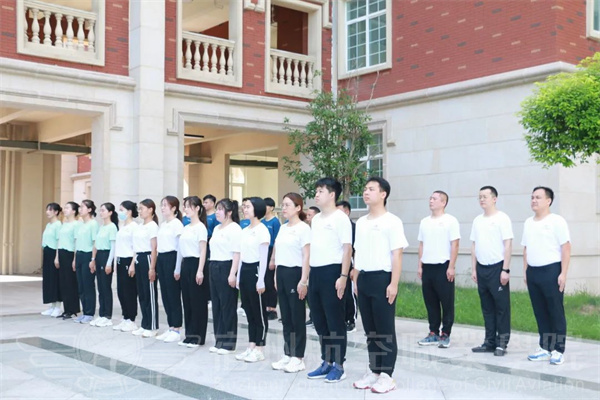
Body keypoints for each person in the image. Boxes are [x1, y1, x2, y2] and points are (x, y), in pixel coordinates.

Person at [352, 177, 407, 394]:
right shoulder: (362, 222)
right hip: (364, 279)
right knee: (370, 329)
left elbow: (397, 255)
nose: (366, 192)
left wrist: (394, 283)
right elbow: (358, 252)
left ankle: (387, 375)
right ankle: (374, 370)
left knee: (385, 329)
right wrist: (356, 279)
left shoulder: (392, 221)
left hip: (383, 279)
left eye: (371, 189)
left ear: (383, 194)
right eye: (365, 189)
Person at [306, 178, 352, 383]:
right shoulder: (316, 219)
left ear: (332, 194)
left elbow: (347, 249)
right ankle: (326, 361)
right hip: (316, 273)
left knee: (335, 321)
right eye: (316, 191)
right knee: (319, 320)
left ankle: (339, 365)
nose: (316, 195)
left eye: (321, 191)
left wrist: (343, 276)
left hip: (333, 273)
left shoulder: (340, 218)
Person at [522, 186, 570, 365]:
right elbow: (526, 248)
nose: (534, 200)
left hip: (551, 271)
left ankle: (558, 350)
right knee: (540, 311)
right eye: (532, 197)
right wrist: (526, 271)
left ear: (548, 201)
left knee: (555, 310)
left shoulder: (557, 221)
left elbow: (566, 247)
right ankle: (545, 347)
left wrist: (563, 273)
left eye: (538, 197)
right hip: (533, 272)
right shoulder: (528, 222)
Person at [470, 186, 513, 356]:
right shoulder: (477, 220)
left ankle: (502, 343)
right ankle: (489, 342)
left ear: (494, 199)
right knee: (487, 307)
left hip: (498, 267)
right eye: (480, 197)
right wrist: (474, 269)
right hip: (482, 268)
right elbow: (474, 245)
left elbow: (508, 244)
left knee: (501, 307)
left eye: (485, 196)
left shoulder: (502, 218)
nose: (482, 199)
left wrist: (505, 269)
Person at [270, 192, 310, 373]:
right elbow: (278, 253)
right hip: (282, 273)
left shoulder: (303, 228)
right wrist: (275, 275)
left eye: (287, 205)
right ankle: (288, 353)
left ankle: (298, 357)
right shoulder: (283, 228)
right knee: (285, 316)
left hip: (296, 273)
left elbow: (306, 256)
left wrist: (304, 280)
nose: (283, 208)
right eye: (283, 204)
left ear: (298, 208)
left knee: (296, 316)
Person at [417, 191, 460, 348]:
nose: (431, 201)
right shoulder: (424, 222)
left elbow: (455, 244)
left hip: (443, 266)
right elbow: (421, 244)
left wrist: (451, 266)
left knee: (446, 302)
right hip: (428, 266)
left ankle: (445, 333)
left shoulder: (450, 221)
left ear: (443, 202)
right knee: (430, 301)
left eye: (434, 199)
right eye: (430, 198)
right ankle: (433, 332)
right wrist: (420, 265)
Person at [235, 197, 271, 363]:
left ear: (257, 209)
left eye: (248, 206)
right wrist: (238, 276)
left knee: (258, 312)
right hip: (246, 270)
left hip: (257, 270)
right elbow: (241, 256)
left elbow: (263, 257)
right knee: (249, 311)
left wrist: (261, 280)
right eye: (244, 207)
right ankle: (251, 346)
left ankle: (260, 348)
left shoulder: (262, 230)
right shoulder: (244, 230)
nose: (245, 209)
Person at [208, 198, 242, 355]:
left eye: (220, 209)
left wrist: (232, 273)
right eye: (216, 209)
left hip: (227, 266)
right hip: (214, 266)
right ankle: (219, 340)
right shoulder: (217, 228)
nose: (217, 212)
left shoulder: (235, 228)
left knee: (227, 306)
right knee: (216, 305)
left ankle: (228, 343)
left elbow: (236, 253)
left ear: (229, 212)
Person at [177, 196, 209, 348]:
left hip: (197, 263)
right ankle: (189, 335)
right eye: (185, 206)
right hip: (186, 264)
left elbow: (203, 250)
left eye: (189, 206)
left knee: (198, 302)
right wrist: (178, 268)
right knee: (187, 300)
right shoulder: (186, 227)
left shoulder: (200, 227)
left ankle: (198, 337)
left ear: (197, 208)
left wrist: (200, 270)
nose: (186, 209)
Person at [156, 196, 184, 343]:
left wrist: (177, 268)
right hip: (161, 258)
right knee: (165, 294)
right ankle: (170, 326)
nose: (162, 208)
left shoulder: (177, 224)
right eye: (162, 205)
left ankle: (177, 328)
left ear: (174, 208)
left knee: (173, 294)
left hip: (172, 258)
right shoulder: (163, 224)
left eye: (165, 205)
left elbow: (179, 248)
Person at [131, 199, 159, 338]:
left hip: (148, 258)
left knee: (149, 293)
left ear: (150, 209)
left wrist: (152, 268)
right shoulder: (140, 226)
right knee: (142, 293)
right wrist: (132, 263)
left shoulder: (152, 226)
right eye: (139, 208)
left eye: (142, 208)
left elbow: (154, 248)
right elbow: (136, 248)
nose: (140, 211)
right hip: (139, 258)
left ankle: (152, 326)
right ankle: (145, 324)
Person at [90, 202, 119, 327]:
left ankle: (107, 316)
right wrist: (93, 259)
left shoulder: (112, 227)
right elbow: (96, 245)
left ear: (110, 212)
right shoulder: (101, 227)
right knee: (100, 287)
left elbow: (113, 247)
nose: (101, 212)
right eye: (100, 210)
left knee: (106, 287)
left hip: (106, 256)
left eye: (103, 210)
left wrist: (109, 263)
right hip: (99, 256)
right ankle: (101, 314)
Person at [112, 200, 139, 332]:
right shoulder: (122, 226)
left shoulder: (134, 227)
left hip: (129, 260)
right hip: (120, 260)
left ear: (129, 212)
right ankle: (125, 317)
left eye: (122, 210)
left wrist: (133, 264)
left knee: (129, 291)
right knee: (121, 291)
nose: (120, 212)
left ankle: (131, 319)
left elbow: (136, 247)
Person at [73, 199, 99, 324]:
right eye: (80, 207)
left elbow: (95, 243)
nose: (80, 209)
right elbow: (77, 243)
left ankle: (89, 313)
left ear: (89, 209)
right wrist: (74, 259)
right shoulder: (80, 224)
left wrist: (93, 259)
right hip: (79, 255)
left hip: (88, 255)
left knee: (88, 285)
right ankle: (84, 312)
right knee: (81, 286)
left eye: (83, 207)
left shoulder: (93, 224)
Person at [55, 202, 81, 320]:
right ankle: (66, 309)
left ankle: (72, 309)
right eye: (64, 208)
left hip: (70, 254)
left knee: (71, 282)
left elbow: (76, 242)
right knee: (63, 282)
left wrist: (75, 259)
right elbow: (59, 241)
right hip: (61, 253)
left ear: (74, 211)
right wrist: (57, 257)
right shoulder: (64, 224)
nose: (64, 210)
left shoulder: (76, 224)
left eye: (67, 208)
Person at [336, 200, 357, 333]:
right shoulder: (336, 227)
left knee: (350, 293)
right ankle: (341, 318)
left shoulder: (354, 228)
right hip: (338, 263)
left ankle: (351, 319)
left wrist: (354, 267)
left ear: (347, 212)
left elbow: (355, 248)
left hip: (351, 263)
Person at [41, 203, 63, 318]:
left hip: (54, 253)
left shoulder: (58, 225)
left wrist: (57, 257)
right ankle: (52, 306)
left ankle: (58, 307)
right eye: (47, 209)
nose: (47, 212)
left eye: (50, 210)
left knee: (55, 280)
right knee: (48, 279)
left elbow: (59, 241)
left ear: (56, 212)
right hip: (47, 252)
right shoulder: (48, 225)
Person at [262, 197, 281, 320]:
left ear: (272, 208)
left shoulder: (275, 222)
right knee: (263, 280)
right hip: (262, 251)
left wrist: (273, 258)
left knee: (270, 281)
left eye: (266, 206)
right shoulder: (262, 222)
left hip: (271, 251)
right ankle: (265, 306)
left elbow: (276, 240)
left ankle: (272, 308)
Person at [304, 205, 319, 327]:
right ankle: (312, 317)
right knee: (309, 294)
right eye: (307, 215)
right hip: (307, 265)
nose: (307, 218)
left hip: (316, 265)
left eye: (310, 215)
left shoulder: (319, 231)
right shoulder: (307, 230)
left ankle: (317, 318)